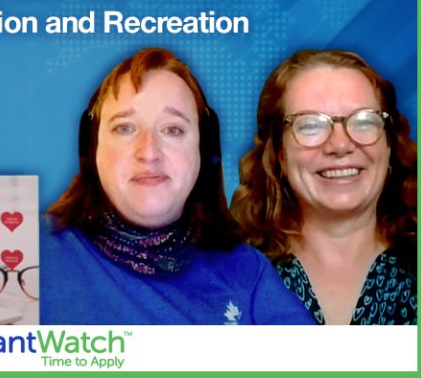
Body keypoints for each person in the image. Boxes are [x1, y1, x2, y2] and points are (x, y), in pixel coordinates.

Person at [41, 47, 314, 324]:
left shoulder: (247, 272)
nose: (149, 152)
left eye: (173, 130)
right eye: (124, 128)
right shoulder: (28, 249)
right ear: (92, 147)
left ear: (203, 150)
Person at [230, 49, 417, 325]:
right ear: (279, 153)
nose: (340, 145)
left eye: (364, 121)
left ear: (389, 145)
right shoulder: (227, 278)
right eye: (310, 126)